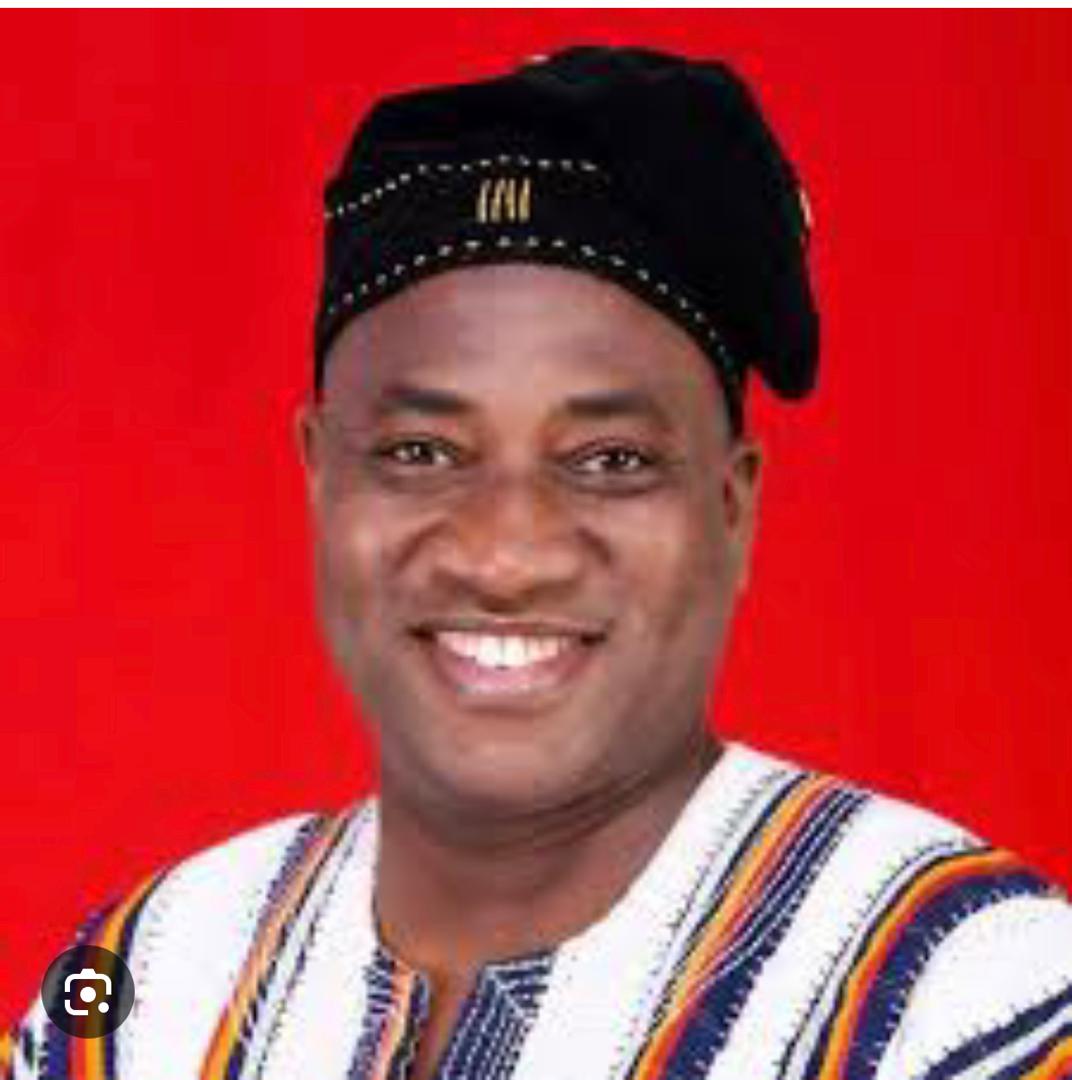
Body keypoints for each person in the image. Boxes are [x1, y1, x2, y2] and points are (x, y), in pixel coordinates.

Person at [4, 45, 1071, 1080]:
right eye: (421, 452)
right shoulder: (142, 981)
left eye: (611, 460)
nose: (506, 556)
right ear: (320, 476)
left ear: (731, 504)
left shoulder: (970, 1000)